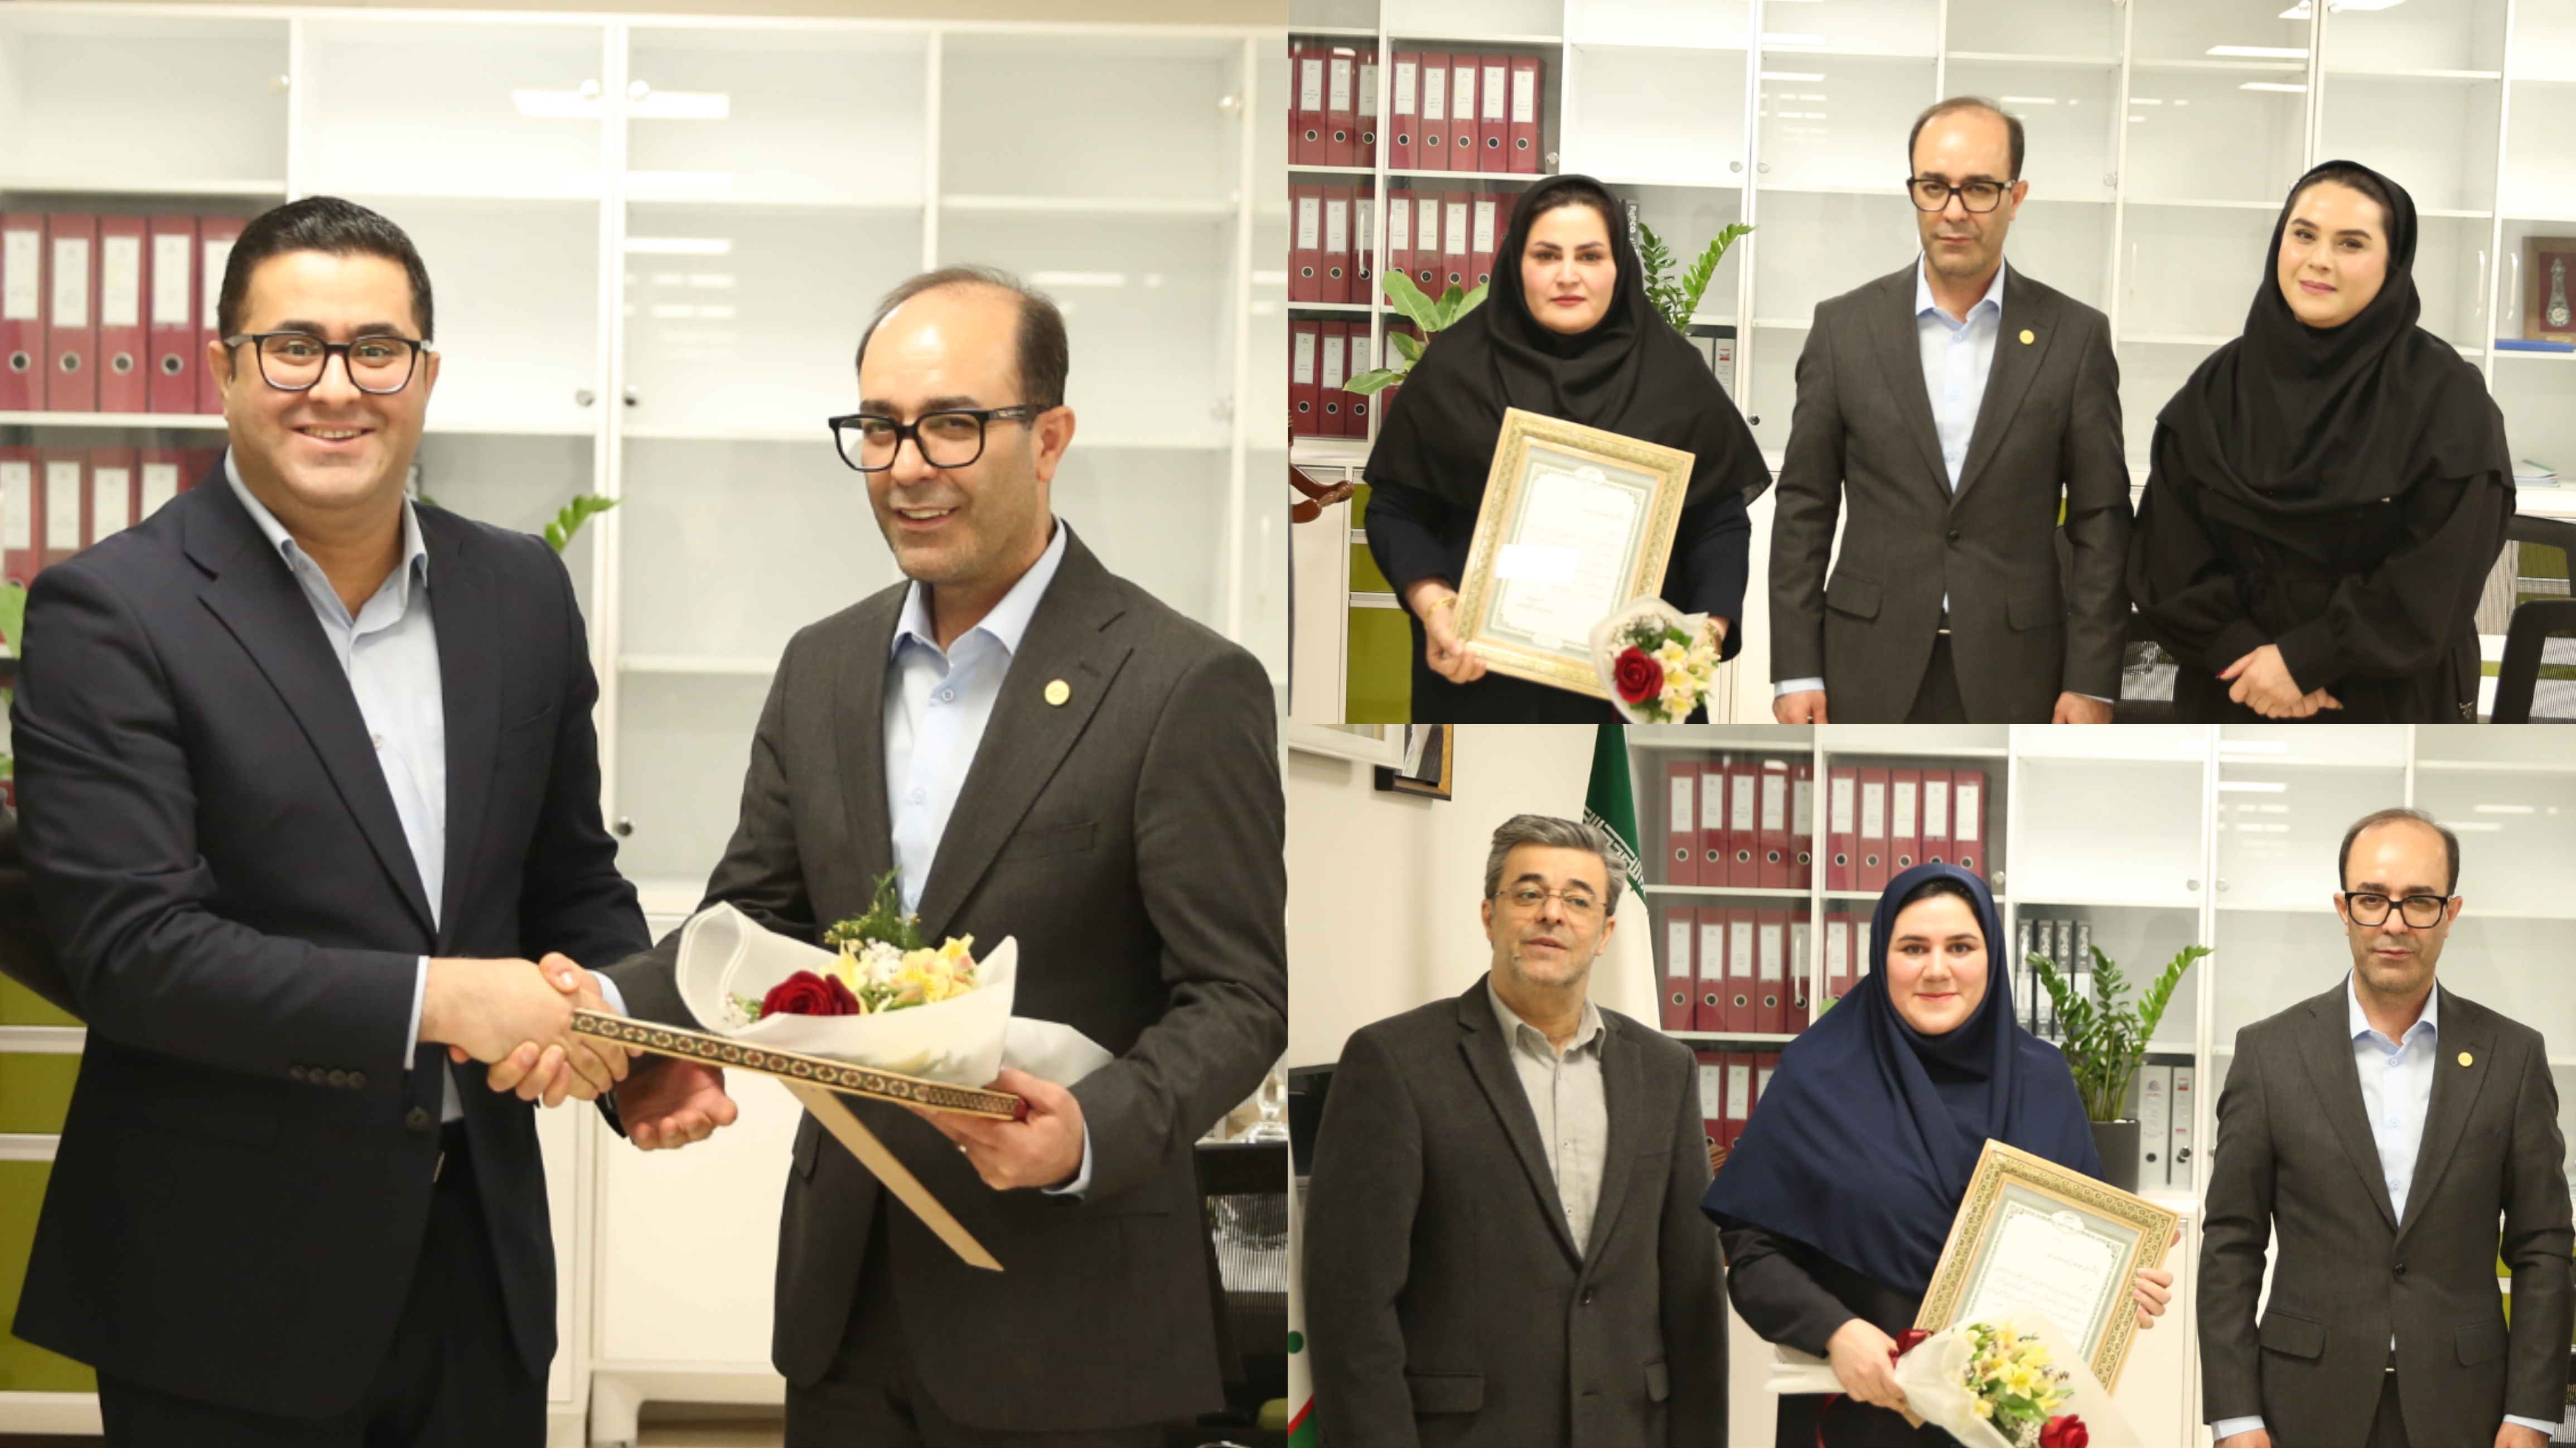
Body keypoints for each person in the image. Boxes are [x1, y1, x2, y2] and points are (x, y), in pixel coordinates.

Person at [596, 265, 1287, 1446]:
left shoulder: (1181, 683)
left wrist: (1087, 1132)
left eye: (953, 424)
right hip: (847, 1307)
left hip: (1073, 1323)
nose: (907, 465)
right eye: (879, 427)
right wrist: (611, 1019)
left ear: (1050, 438)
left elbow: (1238, 997)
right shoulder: (821, 666)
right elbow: (751, 927)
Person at [9, 195, 647, 1444]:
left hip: (477, 1258)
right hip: (225, 1278)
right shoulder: (112, 613)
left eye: (377, 350)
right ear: (224, 370)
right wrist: (446, 1000)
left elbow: (569, 878)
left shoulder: (519, 591)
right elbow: (136, 954)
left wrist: (630, 1033)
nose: (337, 388)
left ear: (426, 375)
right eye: (293, 347)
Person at [1704, 863, 2173, 1447]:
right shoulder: (1817, 1077)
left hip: (2010, 1422)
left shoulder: (2043, 1079)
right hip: (1861, 1414)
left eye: (1960, 947)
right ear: (1882, 957)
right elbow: (1752, 1254)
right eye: (1912, 948)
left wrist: (2124, 1290)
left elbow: (2082, 1244)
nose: (1936, 969)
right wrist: (1834, 1329)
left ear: (1990, 956)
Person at [1303, 814, 1727, 1446]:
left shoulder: (1665, 1070)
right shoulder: (1393, 1062)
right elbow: (1350, 1307)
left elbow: (1693, 1292)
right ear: (1489, 916)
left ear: (1606, 932)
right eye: (1528, 893)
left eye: (1577, 901)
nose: (1551, 913)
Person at [2200, 808, 2569, 1448]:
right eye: (2371, 899)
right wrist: (2235, 1418)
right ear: (2342, 909)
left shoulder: (2510, 1057)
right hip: (2300, 1407)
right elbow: (2231, 1244)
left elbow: (2542, 1246)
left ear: (2450, 914)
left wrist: (2530, 1414)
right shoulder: (2268, 1054)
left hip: (2469, 1412)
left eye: (2419, 901)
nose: (2393, 923)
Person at [1769, 98, 2131, 723]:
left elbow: (2101, 520)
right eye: (1934, 187)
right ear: (1913, 191)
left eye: (1980, 189)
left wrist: (2091, 682)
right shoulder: (1842, 329)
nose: (1954, 211)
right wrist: (1795, 670)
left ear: (2015, 197)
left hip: (2022, 674)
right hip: (1864, 665)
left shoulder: (2074, 337)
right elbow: (1804, 507)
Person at [1362, 173, 1763, 723]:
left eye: (1590, 256)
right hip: (1479, 673)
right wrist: (1435, 606)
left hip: (1634, 683)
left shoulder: (1673, 376)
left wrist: (1707, 634)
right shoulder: (1455, 367)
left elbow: (1717, 523)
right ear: (1516, 263)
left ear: (1619, 265)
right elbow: (1396, 511)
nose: (1568, 275)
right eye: (1546, 255)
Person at [2126, 162, 2514, 723]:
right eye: (2303, 234)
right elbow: (2166, 560)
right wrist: (2247, 658)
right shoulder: (2215, 389)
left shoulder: (2447, 399)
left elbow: (2437, 582)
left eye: (2350, 243)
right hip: (2233, 691)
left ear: (2393, 263)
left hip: (2385, 702)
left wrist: (2303, 660)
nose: (2318, 260)